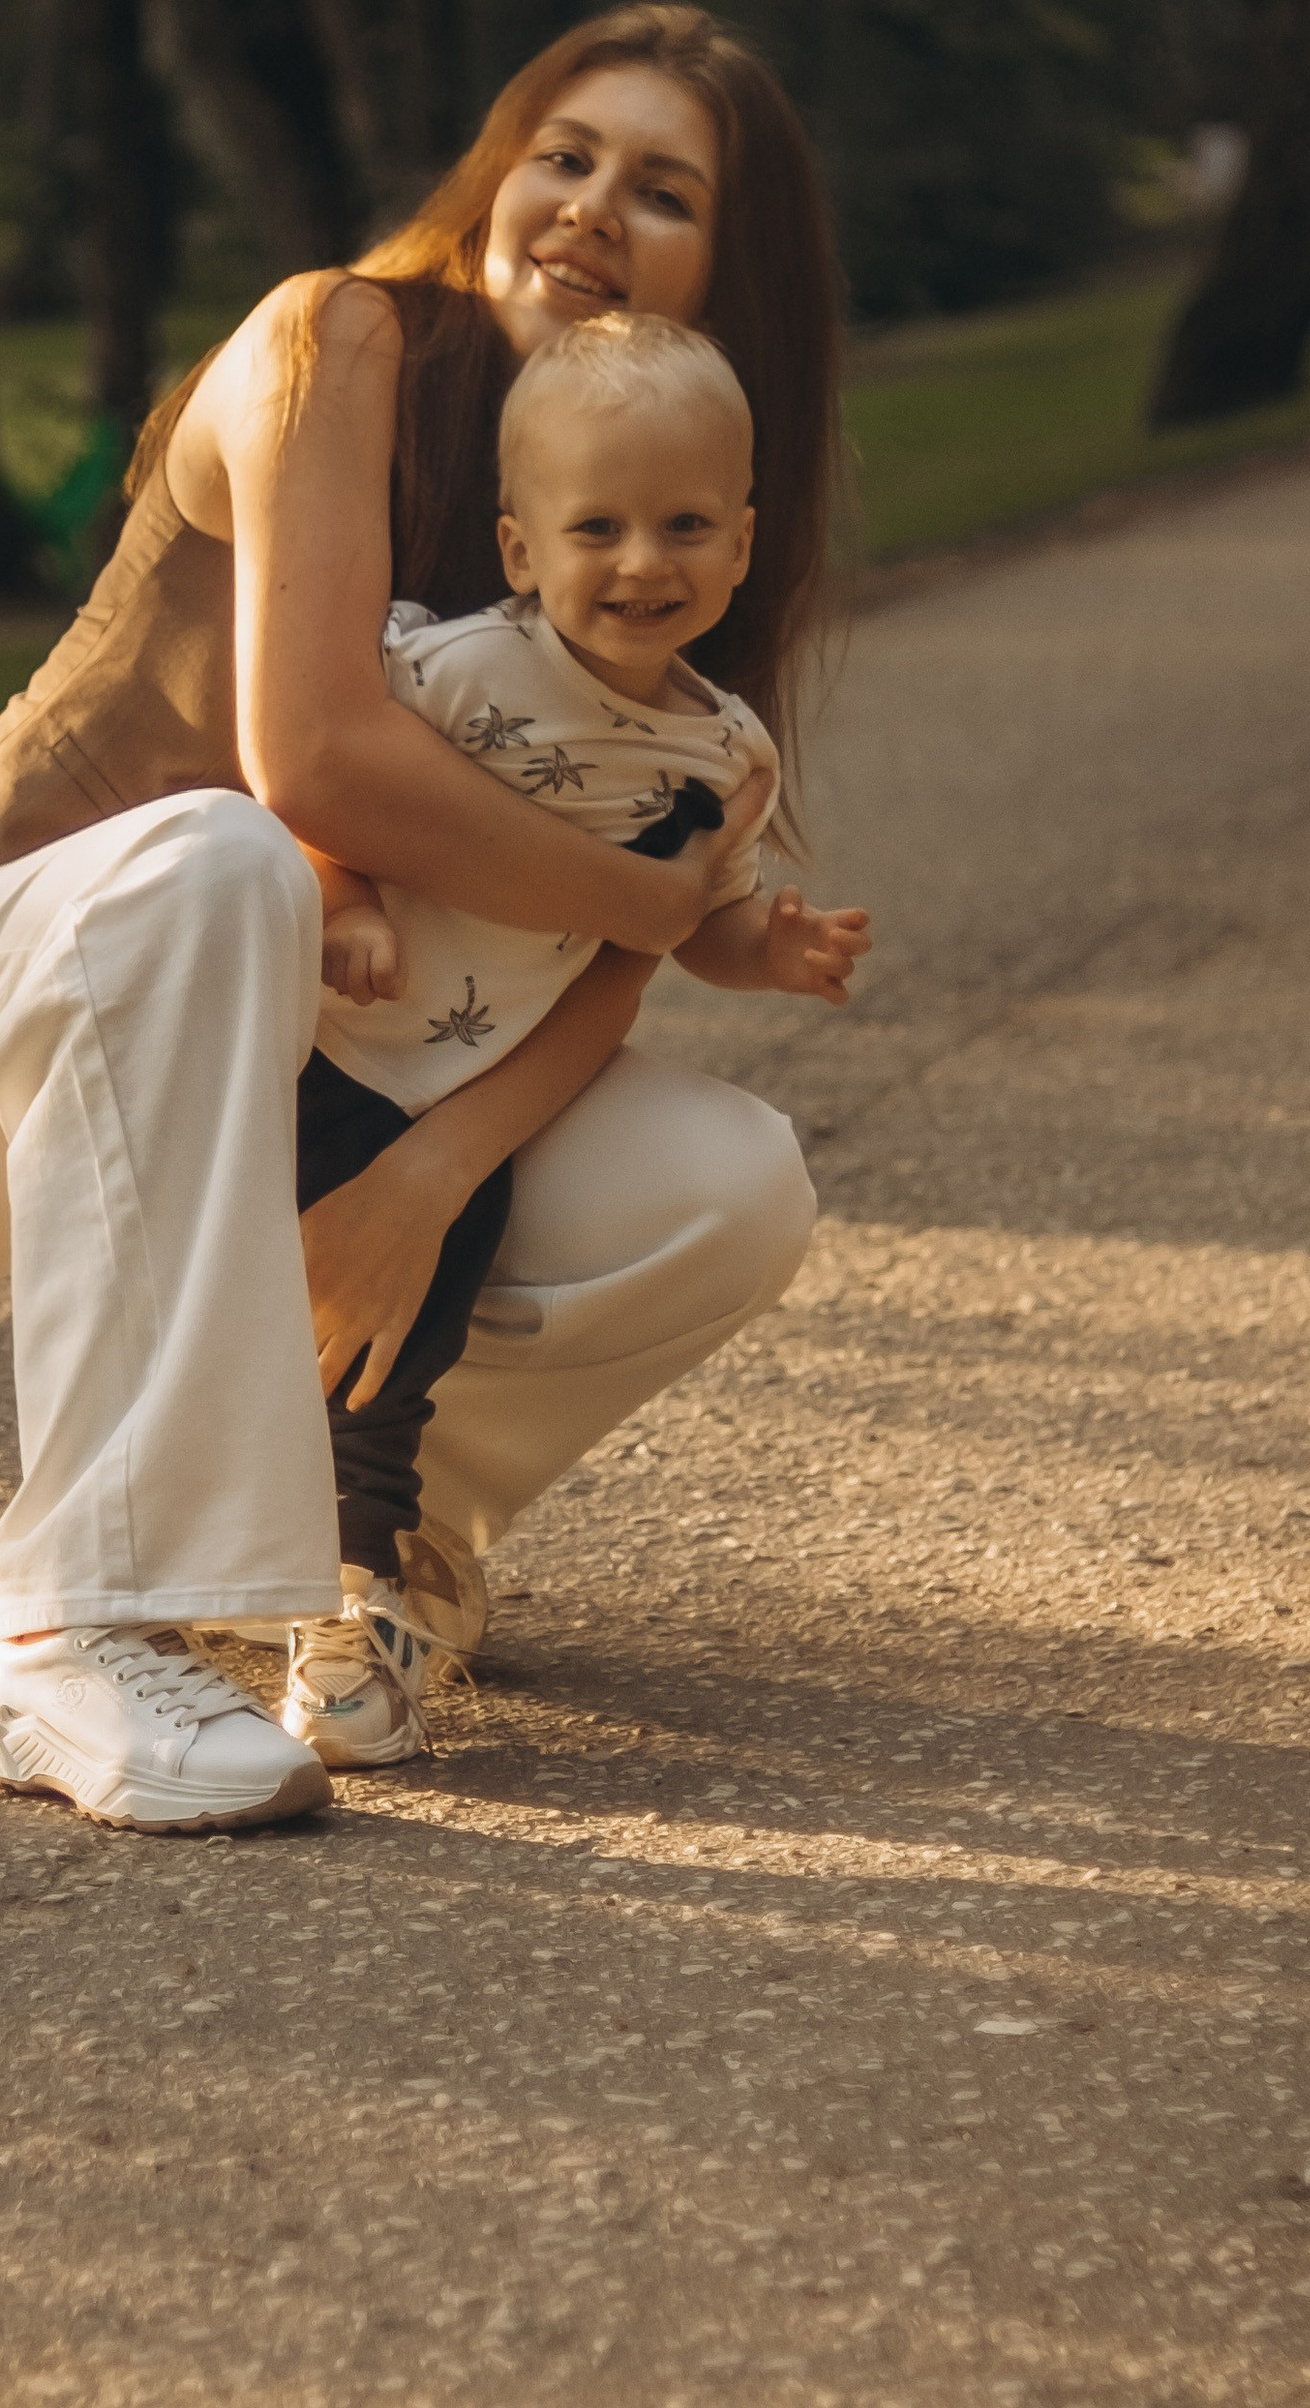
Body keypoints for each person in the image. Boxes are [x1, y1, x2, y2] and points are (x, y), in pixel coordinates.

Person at [0, 1, 841, 1837]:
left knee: (732, 1184)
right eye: (563, 153)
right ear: (495, 173)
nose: (588, 207)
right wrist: (658, 892)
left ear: (722, 286)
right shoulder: (331, 337)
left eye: (662, 193)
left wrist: (425, 1185)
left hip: (287, 1088)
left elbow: (593, 967)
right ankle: (71, 1633)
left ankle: (391, 1547)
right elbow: (320, 761)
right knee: (229, 855)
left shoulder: (640, 536)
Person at [280, 309, 871, 1768]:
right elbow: (309, 789)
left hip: (475, 1097)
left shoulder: (719, 754)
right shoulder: (463, 676)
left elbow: (681, 922)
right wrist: (346, 897)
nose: (642, 562)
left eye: (683, 525)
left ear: (741, 544)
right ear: (521, 547)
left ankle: (343, 1611)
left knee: (388, 1356)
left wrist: (767, 952)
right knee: (246, 1301)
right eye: (595, 525)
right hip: (323, 1049)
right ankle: (151, 1552)